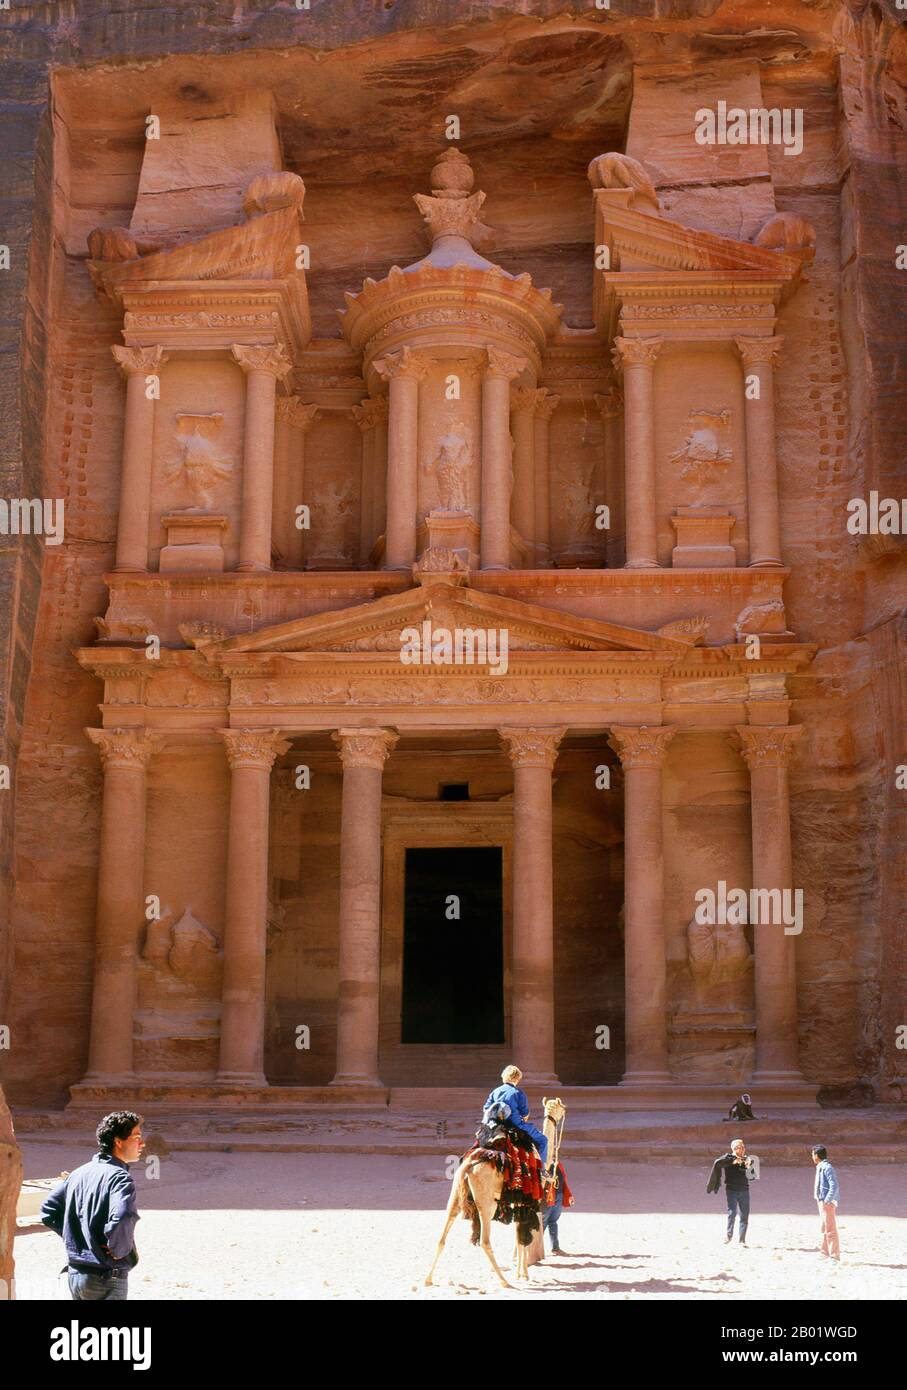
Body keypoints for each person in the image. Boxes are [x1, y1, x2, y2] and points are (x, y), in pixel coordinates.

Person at [40, 1111, 144, 1300]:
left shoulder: (79, 1173)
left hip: (77, 1274)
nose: (142, 1144)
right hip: (106, 1278)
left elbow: (49, 1210)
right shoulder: (120, 1178)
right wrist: (117, 1250)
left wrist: (77, 1240)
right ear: (118, 1141)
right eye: (137, 1137)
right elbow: (123, 1216)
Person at [483, 1064, 548, 1164]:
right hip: (516, 1126)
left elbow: (486, 1108)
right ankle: (542, 1170)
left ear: (504, 1077)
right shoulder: (518, 1092)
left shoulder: (495, 1091)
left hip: (495, 1126)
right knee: (543, 1140)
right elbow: (525, 1114)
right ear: (518, 1078)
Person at [707, 1137, 753, 1245]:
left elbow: (753, 1177)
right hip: (731, 1190)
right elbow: (718, 1163)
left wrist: (749, 1166)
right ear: (733, 1149)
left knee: (744, 1215)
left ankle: (742, 1240)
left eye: (742, 1147)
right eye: (738, 1147)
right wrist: (732, 1159)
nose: (741, 1149)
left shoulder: (748, 1160)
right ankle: (728, 1236)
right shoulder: (727, 1159)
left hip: (744, 1190)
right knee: (732, 1214)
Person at [812, 1144, 840, 1262]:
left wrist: (827, 1200)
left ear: (816, 1155)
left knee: (830, 1229)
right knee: (825, 1228)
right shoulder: (821, 1166)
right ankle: (824, 1253)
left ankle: (834, 1256)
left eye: (812, 1154)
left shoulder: (827, 1167)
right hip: (822, 1201)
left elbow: (834, 1185)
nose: (812, 1157)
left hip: (826, 1202)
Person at [542, 1160, 574, 1256]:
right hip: (548, 1198)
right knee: (542, 1224)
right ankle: (536, 1249)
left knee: (553, 1222)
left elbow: (563, 1182)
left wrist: (569, 1195)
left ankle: (555, 1248)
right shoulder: (544, 1165)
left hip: (558, 1196)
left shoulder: (558, 1164)